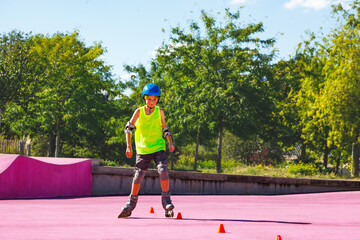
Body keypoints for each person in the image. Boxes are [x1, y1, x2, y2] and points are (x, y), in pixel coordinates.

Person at [118, 83, 175, 218]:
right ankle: (131, 203)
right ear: (145, 99)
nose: (152, 101)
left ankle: (166, 200)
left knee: (163, 170)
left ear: (157, 100)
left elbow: (165, 128)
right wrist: (128, 146)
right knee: (138, 175)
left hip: (158, 146)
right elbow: (128, 128)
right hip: (143, 149)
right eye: (149, 99)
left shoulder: (159, 111)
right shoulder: (139, 112)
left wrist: (170, 142)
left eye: (155, 99)